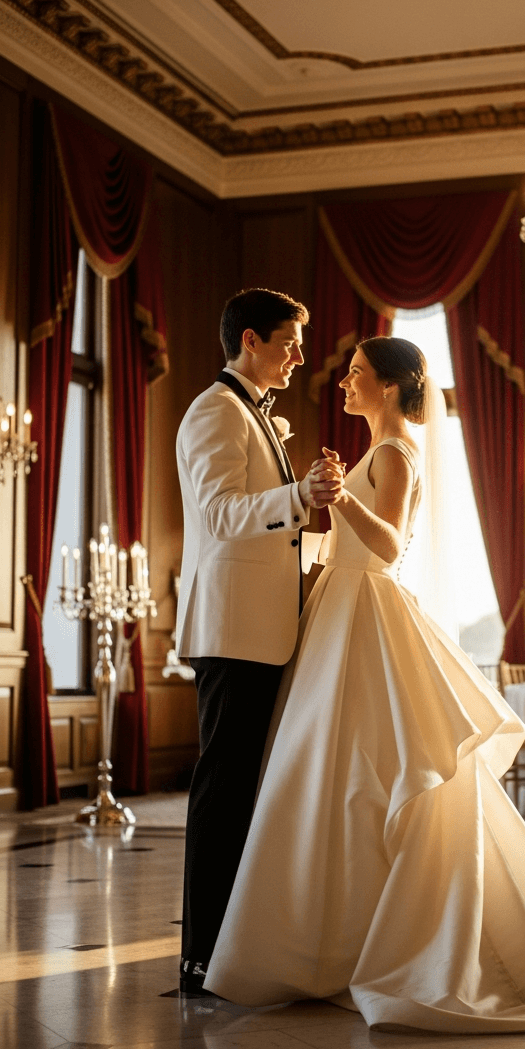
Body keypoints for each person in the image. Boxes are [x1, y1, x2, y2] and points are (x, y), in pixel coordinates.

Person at [204, 336, 525, 1030]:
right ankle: (333, 940)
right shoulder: (378, 452)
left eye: (356, 374)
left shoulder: (394, 453)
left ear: (390, 386)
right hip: (341, 608)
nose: (345, 384)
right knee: (337, 774)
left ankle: (352, 945)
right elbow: (355, 542)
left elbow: (388, 546)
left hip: (365, 609)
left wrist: (337, 499)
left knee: (361, 773)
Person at [175, 287, 343, 995]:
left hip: (261, 629)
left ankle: (234, 947)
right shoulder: (216, 410)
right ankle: (200, 956)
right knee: (223, 789)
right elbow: (219, 515)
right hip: (234, 631)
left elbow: (265, 526)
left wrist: (314, 516)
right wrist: (299, 497)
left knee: (245, 788)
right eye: (290, 343)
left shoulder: (253, 412)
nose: (300, 357)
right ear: (250, 340)